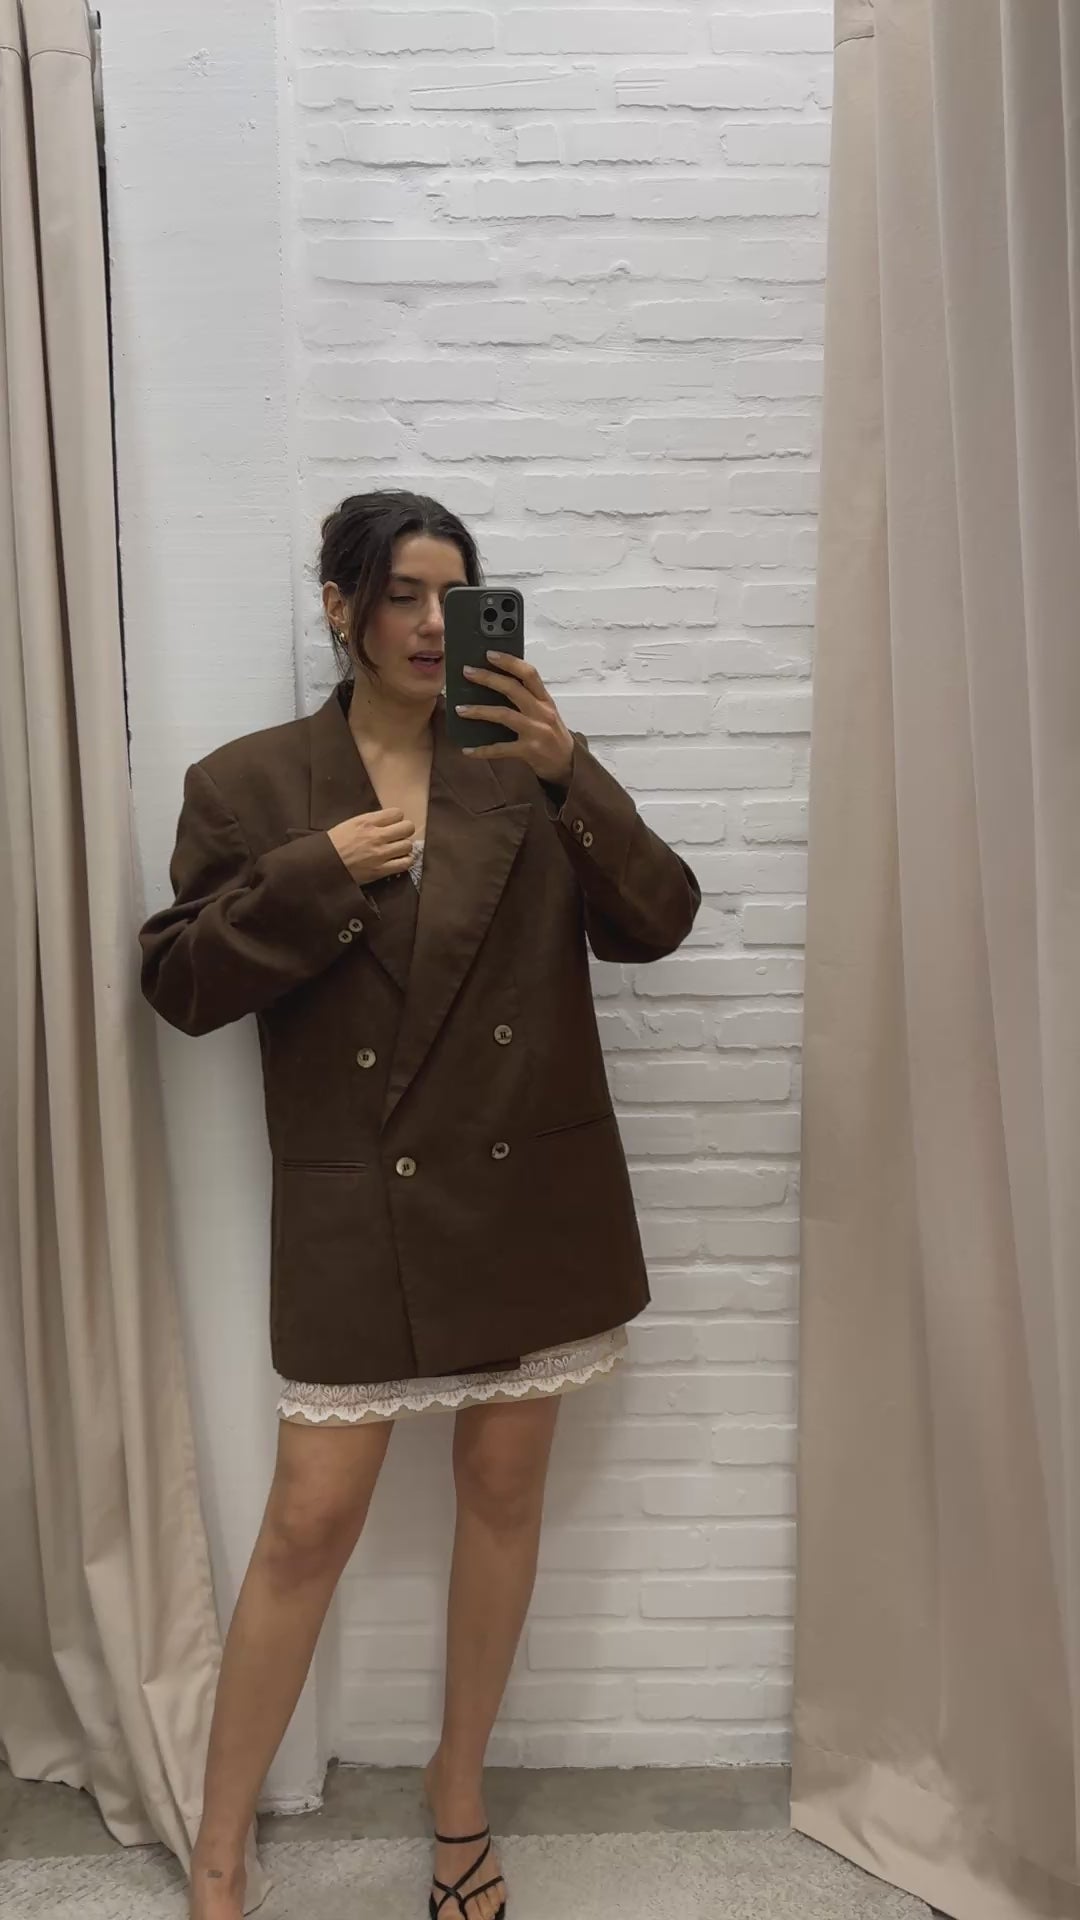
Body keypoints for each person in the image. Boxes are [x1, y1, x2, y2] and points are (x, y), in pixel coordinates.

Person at [138, 490, 702, 1920]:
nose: (434, 624)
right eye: (402, 594)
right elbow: (183, 985)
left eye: (458, 595)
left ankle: (460, 1804)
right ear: (341, 605)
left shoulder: (522, 766)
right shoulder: (250, 785)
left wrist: (574, 774)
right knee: (308, 1524)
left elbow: (659, 921)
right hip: (356, 1204)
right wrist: (316, 869)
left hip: (527, 1194)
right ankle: (221, 1848)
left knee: (503, 1495)